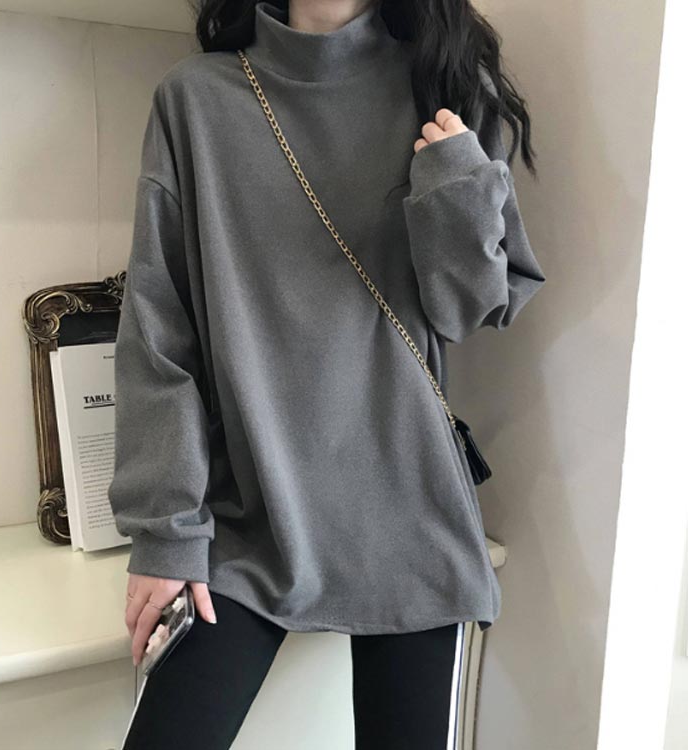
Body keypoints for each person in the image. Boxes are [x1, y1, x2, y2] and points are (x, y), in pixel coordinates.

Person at [107, 0, 547, 747]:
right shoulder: (196, 99)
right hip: (246, 520)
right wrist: (164, 532)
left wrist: (454, 181)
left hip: (408, 515)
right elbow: (159, 334)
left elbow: (468, 309)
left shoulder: (442, 87)